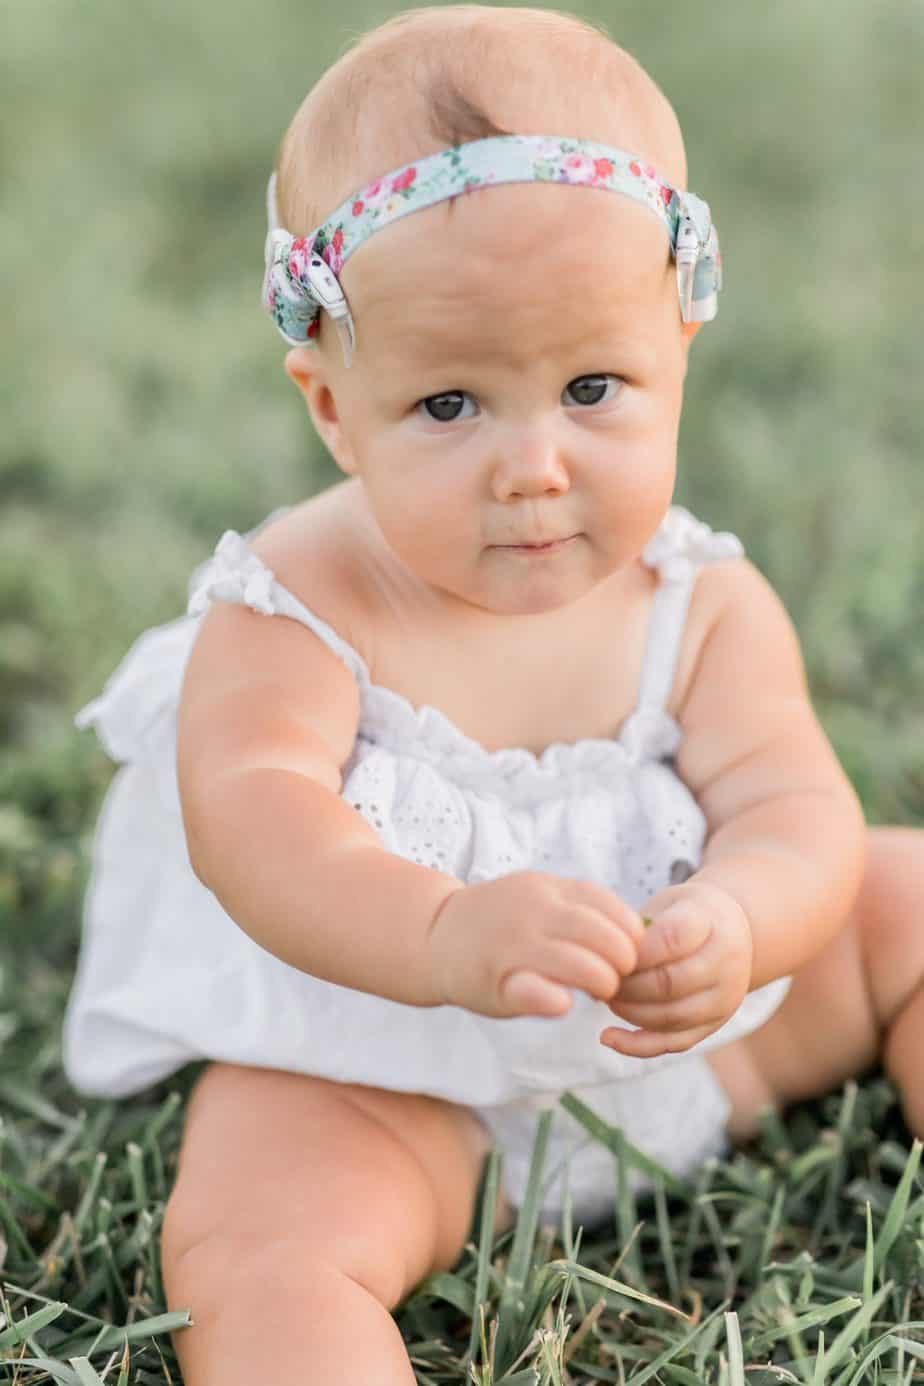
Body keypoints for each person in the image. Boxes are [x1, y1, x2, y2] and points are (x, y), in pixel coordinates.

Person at [63, 6, 924, 1383]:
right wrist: (444, 927)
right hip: (388, 1077)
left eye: (593, 387)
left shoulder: (700, 600)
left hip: (695, 1041)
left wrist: (744, 917)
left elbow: (792, 803)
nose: (534, 465)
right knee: (256, 1232)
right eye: (452, 404)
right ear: (333, 406)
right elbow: (254, 825)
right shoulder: (290, 607)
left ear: (680, 352)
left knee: (903, 894)